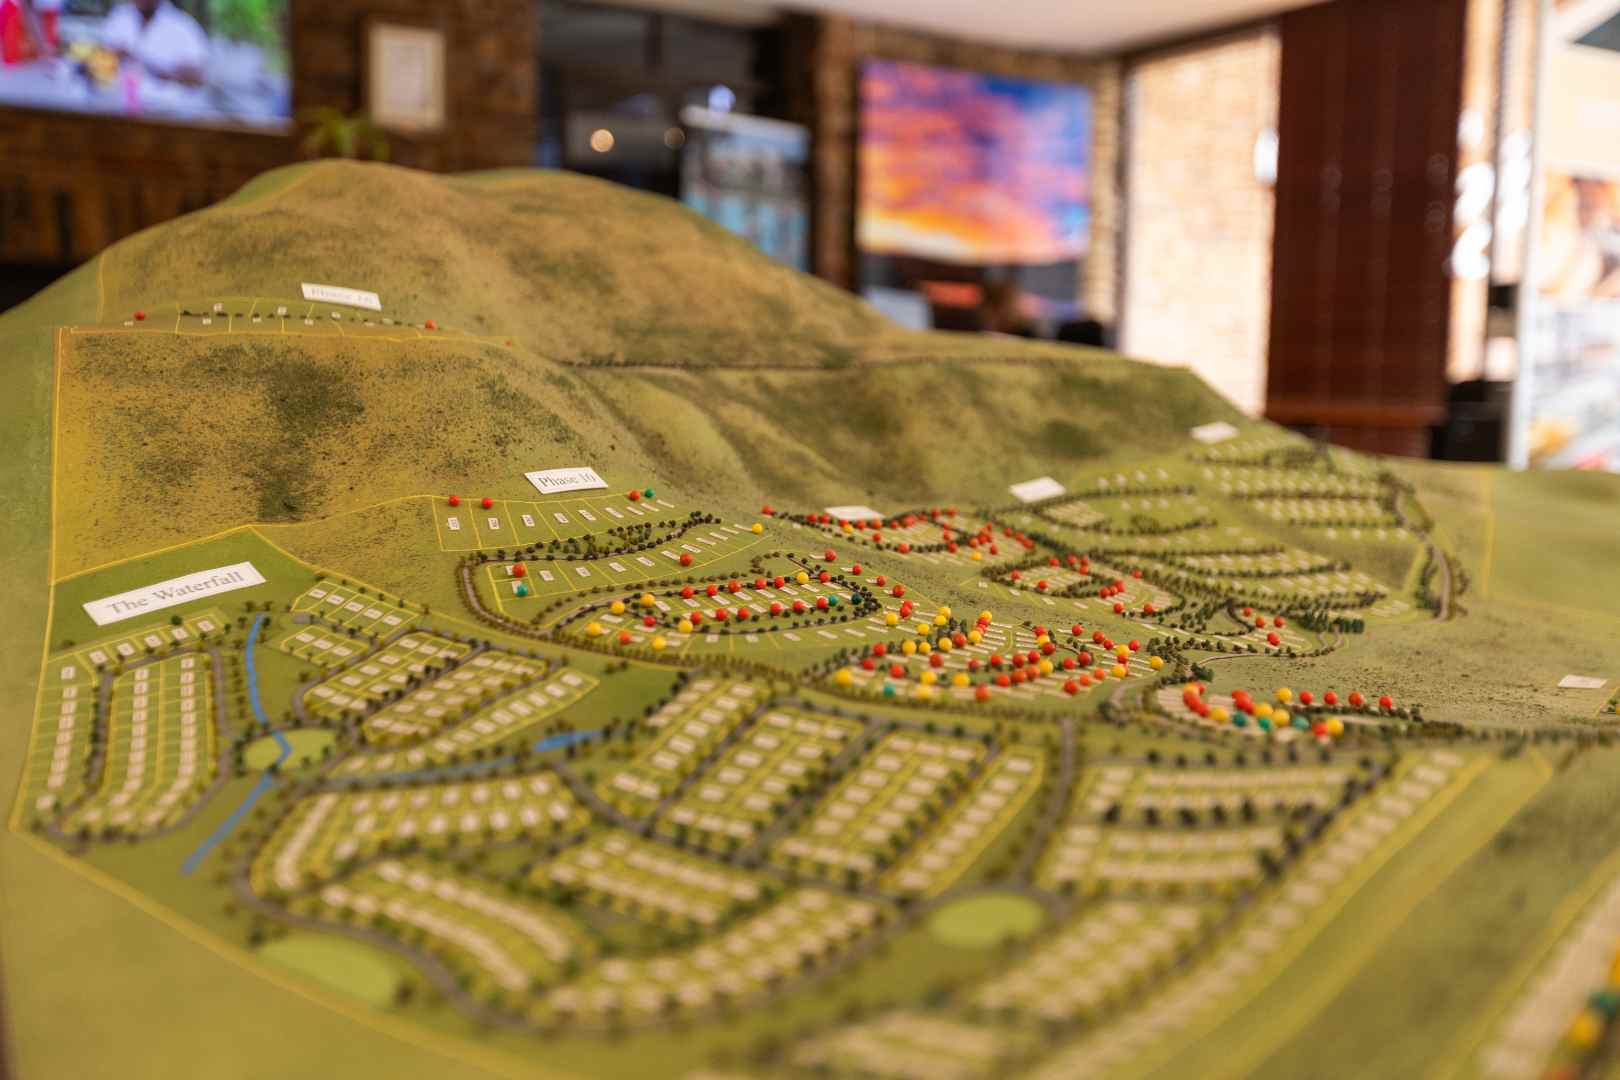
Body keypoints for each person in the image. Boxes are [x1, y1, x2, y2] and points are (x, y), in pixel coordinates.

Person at [101, 0, 208, 87]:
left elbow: (199, 77)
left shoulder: (183, 25)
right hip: (114, 103)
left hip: (167, 105)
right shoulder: (119, 17)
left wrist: (158, 70)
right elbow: (99, 60)